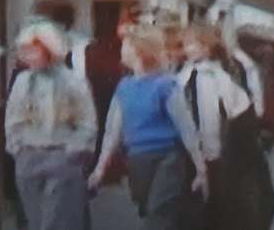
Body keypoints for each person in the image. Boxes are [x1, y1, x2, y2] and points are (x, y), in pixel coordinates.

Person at [89, 24, 207, 230]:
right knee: (147, 208)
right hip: (137, 158)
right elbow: (112, 131)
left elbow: (186, 127)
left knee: (158, 211)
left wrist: (200, 168)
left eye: (126, 45)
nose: (122, 50)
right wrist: (100, 168)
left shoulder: (165, 86)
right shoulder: (124, 87)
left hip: (167, 156)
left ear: (140, 50)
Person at [178, 25, 274, 230]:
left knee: (224, 210)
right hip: (196, 155)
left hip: (223, 156)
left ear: (206, 47)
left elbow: (241, 113)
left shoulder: (220, 77)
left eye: (191, 44)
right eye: (185, 44)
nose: (186, 49)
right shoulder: (185, 75)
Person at [5, 18, 97, 230]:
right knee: (34, 220)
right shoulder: (22, 81)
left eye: (32, 50)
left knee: (56, 221)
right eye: (24, 50)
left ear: (49, 49)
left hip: (62, 156)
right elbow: (12, 118)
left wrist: (75, 150)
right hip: (28, 156)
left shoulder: (73, 81)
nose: (26, 56)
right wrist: (17, 148)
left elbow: (87, 120)